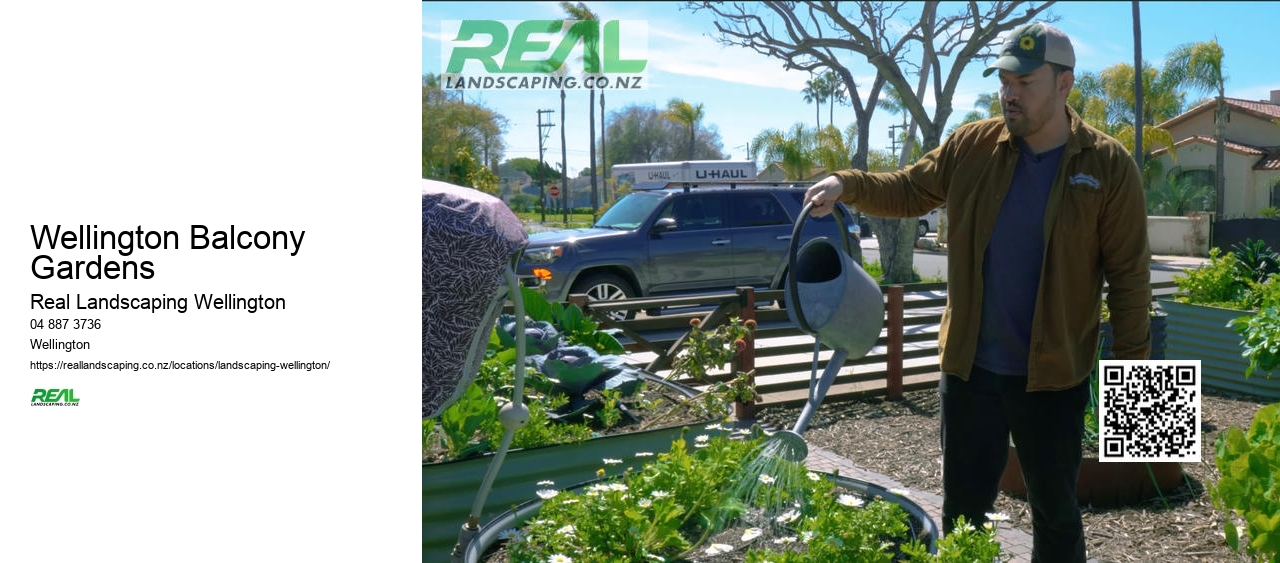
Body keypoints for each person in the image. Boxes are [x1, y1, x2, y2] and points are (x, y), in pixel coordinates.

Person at [804, 22, 1151, 563]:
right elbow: (912, 188)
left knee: (1056, 517)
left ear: (1064, 86)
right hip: (969, 373)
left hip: (1054, 378)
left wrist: (1139, 406)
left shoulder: (1107, 166)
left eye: (1026, 82)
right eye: (1005, 80)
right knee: (965, 514)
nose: (1011, 92)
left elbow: (1131, 280)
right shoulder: (974, 145)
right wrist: (847, 184)